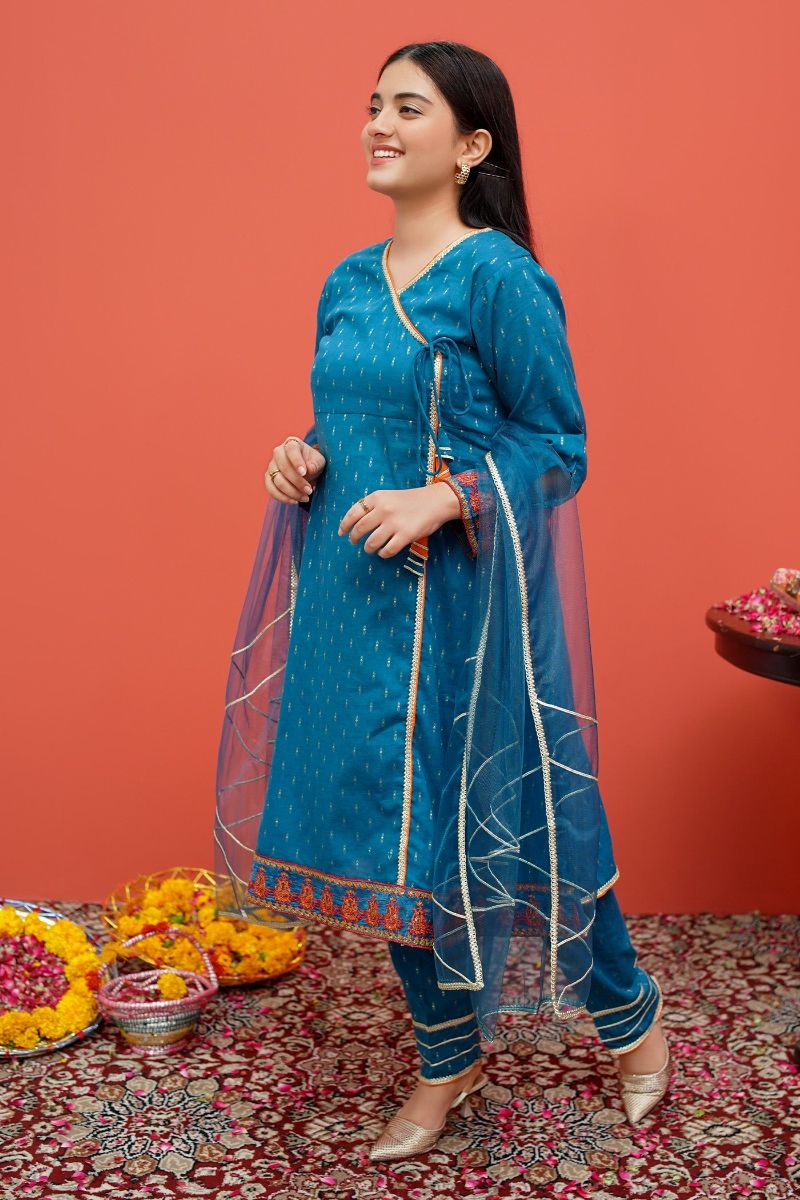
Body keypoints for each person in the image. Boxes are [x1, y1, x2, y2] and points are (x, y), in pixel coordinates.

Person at [214, 40, 672, 1162]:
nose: (378, 123)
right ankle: (445, 1058)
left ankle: (629, 1018)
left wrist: (446, 498)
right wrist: (300, 456)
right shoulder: (345, 280)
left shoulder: (497, 278)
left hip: (462, 606)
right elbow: (347, 420)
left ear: (471, 144)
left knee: (523, 819)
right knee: (384, 832)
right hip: (348, 601)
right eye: (373, 104)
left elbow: (557, 446)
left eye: (407, 108)